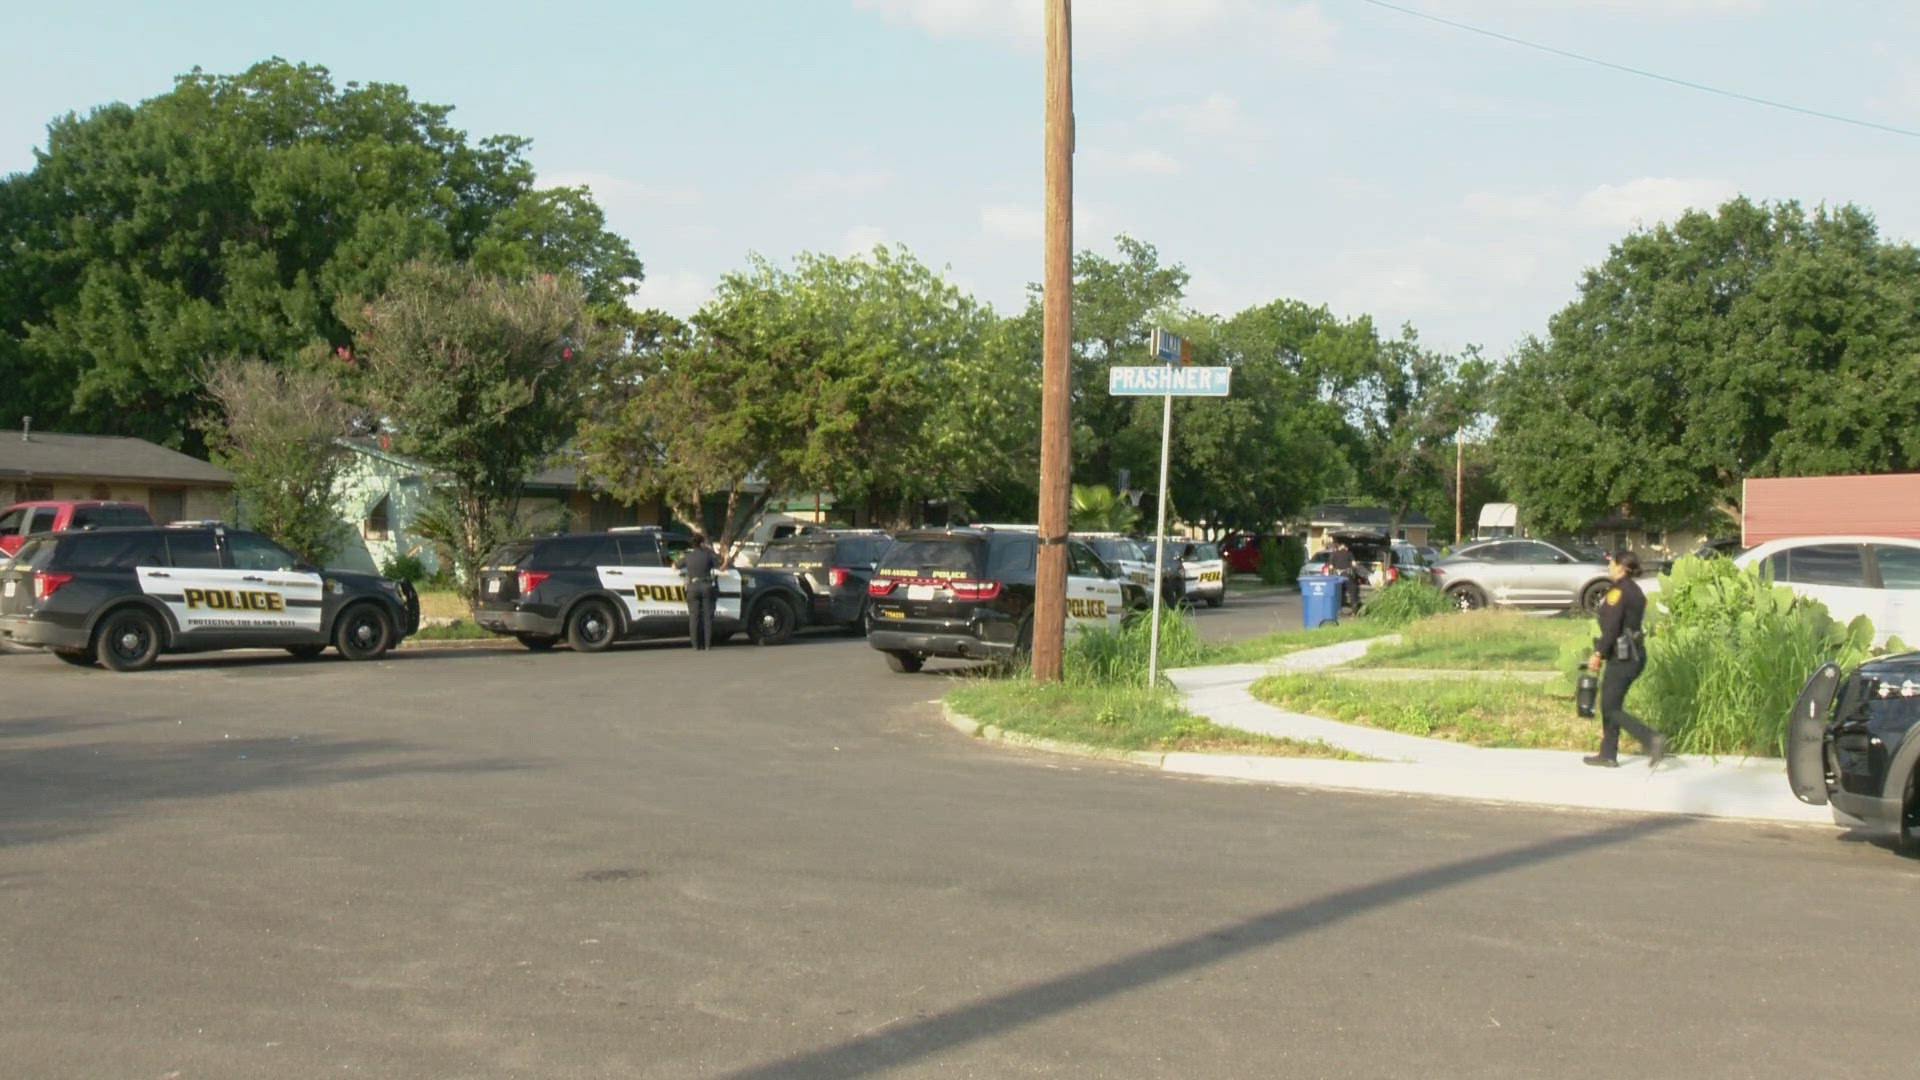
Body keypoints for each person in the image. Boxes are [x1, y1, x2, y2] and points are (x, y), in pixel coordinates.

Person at [1584, 550, 1670, 768]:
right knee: (1611, 704)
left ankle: (1651, 739)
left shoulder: (1618, 593)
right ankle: (1607, 753)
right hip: (1634, 654)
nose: (1609, 568)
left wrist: (1598, 654)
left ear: (1621, 567)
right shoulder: (1636, 591)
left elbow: (1612, 628)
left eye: (1612, 564)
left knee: (1611, 707)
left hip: (1623, 656)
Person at [677, 533, 721, 651]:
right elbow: (719, 567)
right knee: (707, 617)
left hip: (692, 588)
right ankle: (707, 645)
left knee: (694, 617)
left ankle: (695, 645)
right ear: (702, 543)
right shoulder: (708, 555)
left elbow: (676, 566)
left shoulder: (687, 556)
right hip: (707, 587)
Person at [1325, 539, 1358, 611]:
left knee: (1338, 593)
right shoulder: (1349, 553)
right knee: (1352, 593)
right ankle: (1354, 611)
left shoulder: (1334, 554)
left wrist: (1331, 575)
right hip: (1347, 575)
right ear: (1344, 546)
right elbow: (1354, 564)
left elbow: (1331, 567)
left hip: (1337, 576)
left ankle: (1337, 610)